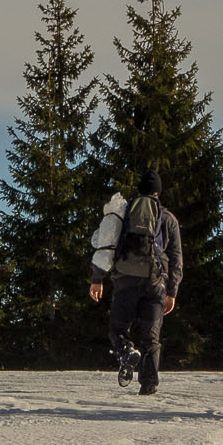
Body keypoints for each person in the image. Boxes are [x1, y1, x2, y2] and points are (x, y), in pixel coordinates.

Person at [88, 169, 183, 395]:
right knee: (151, 336)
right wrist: (172, 291)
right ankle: (148, 387)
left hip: (125, 280)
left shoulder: (124, 212)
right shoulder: (168, 218)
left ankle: (127, 351)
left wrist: (97, 279)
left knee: (118, 328)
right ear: (158, 193)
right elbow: (177, 256)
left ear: (139, 190)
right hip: (155, 282)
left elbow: (106, 244)